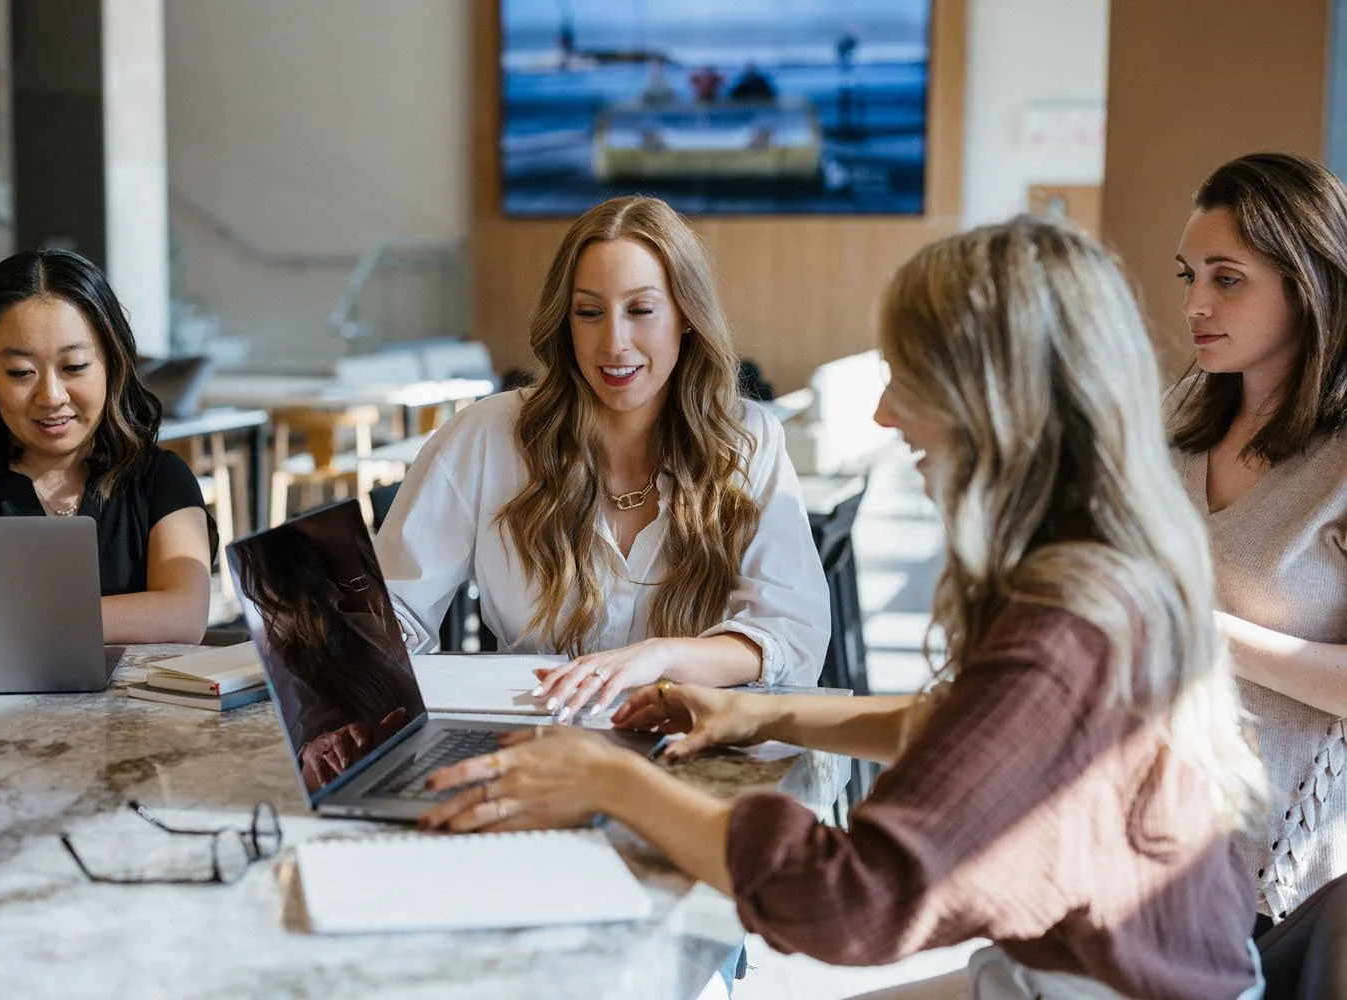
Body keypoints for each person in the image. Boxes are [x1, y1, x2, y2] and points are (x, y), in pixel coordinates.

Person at [422, 216, 1269, 999]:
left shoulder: (1064, 628)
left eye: (907, 378)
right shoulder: (1104, 575)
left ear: (994, 399)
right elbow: (972, 729)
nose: (881, 411)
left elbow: (847, 902)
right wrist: (759, 714)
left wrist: (611, 781)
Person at [374, 195, 829, 720]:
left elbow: (791, 637)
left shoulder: (748, 441)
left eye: (640, 310)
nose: (613, 342)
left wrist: (660, 656)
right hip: (535, 744)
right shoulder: (486, 435)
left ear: (685, 315)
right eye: (589, 313)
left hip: (688, 746)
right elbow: (393, 609)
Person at [1169, 151, 1347, 928]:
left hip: (1275, 880)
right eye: (1189, 276)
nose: (1195, 304)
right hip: (1137, 839)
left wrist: (1202, 633)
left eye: (1226, 278)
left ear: (1310, 284)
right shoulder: (1179, 415)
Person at [0, 249, 212, 646]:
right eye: (21, 373)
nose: (51, 396)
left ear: (113, 362)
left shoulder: (160, 481)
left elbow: (183, 616)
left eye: (74, 367)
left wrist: (5, 621)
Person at [231, 512, 422, 793]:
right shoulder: (288, 616)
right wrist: (317, 758)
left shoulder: (404, 529)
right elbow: (308, 751)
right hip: (399, 775)